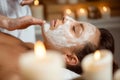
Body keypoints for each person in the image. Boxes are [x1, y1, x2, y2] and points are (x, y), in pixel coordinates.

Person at [0, 16, 118, 79]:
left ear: (70, 58)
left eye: (74, 29)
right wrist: (6, 22)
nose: (67, 17)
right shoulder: (30, 47)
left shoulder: (18, 73)